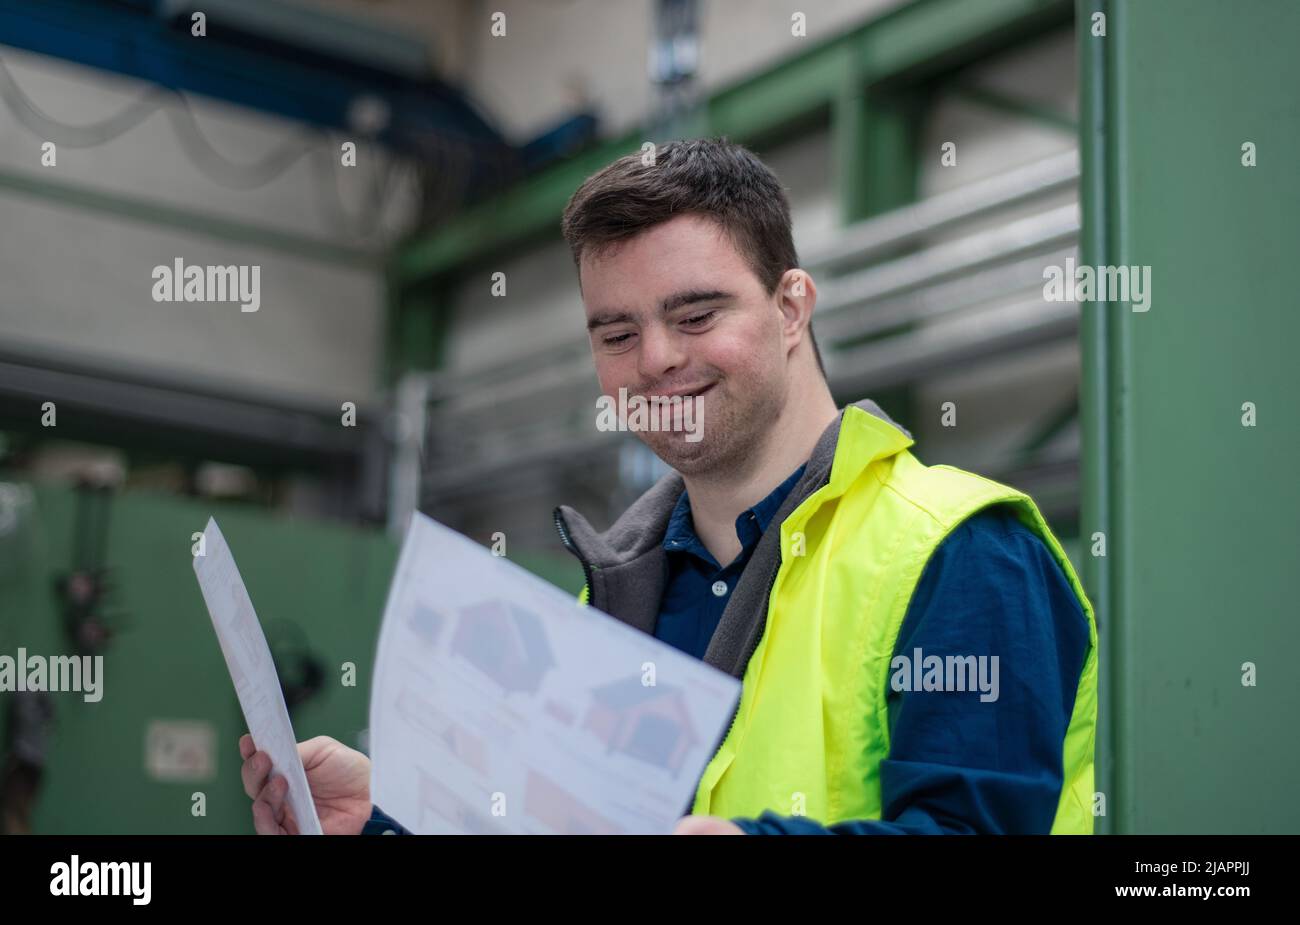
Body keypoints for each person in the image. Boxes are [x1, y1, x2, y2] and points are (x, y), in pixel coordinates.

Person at [240, 138, 1097, 835]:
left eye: (695, 316)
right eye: (617, 332)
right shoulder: (614, 597)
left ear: (792, 307)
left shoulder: (960, 551)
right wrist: (393, 819)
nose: (655, 360)